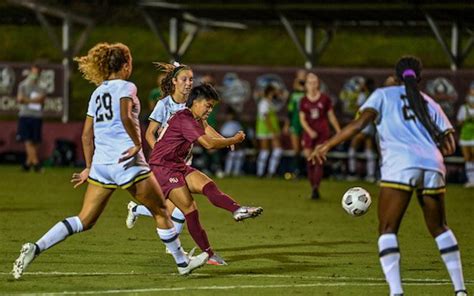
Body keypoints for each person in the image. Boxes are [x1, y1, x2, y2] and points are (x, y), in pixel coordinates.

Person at [11, 42, 208, 280]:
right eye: (131, 62)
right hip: (127, 162)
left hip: (102, 166)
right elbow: (125, 115)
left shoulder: (98, 92)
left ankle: (36, 246)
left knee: (84, 220)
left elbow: (86, 134)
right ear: (125, 65)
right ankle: (182, 263)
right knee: (163, 211)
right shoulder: (127, 87)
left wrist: (88, 167)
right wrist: (136, 143)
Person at [309, 56, 467, 296]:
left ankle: (396, 292)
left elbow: (359, 124)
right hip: (433, 164)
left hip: (401, 164)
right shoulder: (428, 101)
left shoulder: (383, 95)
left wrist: (326, 145)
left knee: (387, 229)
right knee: (440, 227)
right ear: (419, 77)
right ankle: (460, 290)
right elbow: (450, 145)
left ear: (395, 74)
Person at [147, 84, 263, 264]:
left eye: (212, 107)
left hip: (177, 165)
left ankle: (237, 209)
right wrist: (233, 139)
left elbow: (207, 128)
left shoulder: (195, 118)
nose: (210, 110)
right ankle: (208, 254)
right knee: (190, 210)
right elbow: (208, 145)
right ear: (195, 102)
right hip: (163, 167)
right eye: (208, 105)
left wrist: (225, 141)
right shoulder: (185, 119)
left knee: (208, 185)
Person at [299, 72, 341, 199]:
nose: (312, 85)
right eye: (310, 82)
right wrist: (309, 131)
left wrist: (339, 131)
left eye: (315, 82)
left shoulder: (325, 99)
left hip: (322, 132)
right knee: (309, 159)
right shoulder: (303, 100)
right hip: (309, 133)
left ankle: (316, 187)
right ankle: (313, 187)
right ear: (306, 85)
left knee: (319, 159)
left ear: (318, 84)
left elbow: (331, 116)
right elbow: (302, 119)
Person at [16, 64, 47, 172]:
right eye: (33, 72)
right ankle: (36, 164)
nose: (35, 75)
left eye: (37, 73)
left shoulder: (42, 87)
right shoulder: (23, 85)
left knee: (36, 141)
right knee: (28, 140)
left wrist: (27, 100)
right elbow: (20, 99)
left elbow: (42, 100)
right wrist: (34, 100)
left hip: (37, 116)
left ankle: (28, 164)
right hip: (25, 115)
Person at [346, 77, 377, 182]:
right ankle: (371, 175)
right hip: (370, 125)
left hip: (363, 125)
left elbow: (359, 108)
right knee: (369, 149)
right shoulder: (373, 95)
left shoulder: (363, 95)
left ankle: (352, 172)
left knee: (353, 146)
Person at [255, 84, 283, 178]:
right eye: (275, 91)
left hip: (271, 130)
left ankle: (271, 172)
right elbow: (265, 118)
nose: (277, 93)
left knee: (277, 150)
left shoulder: (270, 103)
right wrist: (273, 131)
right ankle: (261, 172)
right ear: (271, 92)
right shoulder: (264, 103)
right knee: (265, 151)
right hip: (265, 130)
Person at [283, 69, 307, 178]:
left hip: (307, 124)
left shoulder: (309, 92)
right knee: (296, 149)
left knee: (307, 149)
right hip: (295, 123)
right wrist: (287, 125)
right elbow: (290, 111)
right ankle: (296, 171)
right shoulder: (293, 95)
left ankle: (307, 172)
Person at [457, 82, 474, 188]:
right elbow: (459, 123)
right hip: (465, 137)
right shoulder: (464, 108)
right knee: (467, 158)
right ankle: (471, 180)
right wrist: (465, 119)